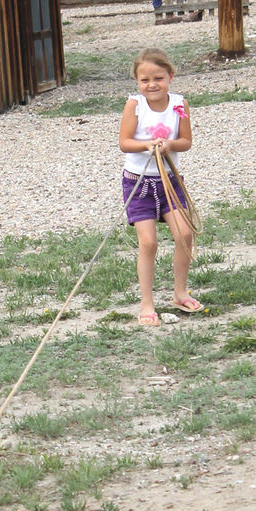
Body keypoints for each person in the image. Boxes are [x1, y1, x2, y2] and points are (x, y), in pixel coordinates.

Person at [119, 48, 204, 326]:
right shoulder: (135, 105)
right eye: (145, 80)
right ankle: (146, 304)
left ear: (171, 76)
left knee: (184, 234)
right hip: (139, 183)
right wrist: (147, 145)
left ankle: (180, 293)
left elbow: (186, 141)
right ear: (137, 82)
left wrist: (169, 144)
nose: (152, 85)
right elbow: (125, 142)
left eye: (158, 78)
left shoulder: (179, 103)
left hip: (170, 180)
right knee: (149, 242)